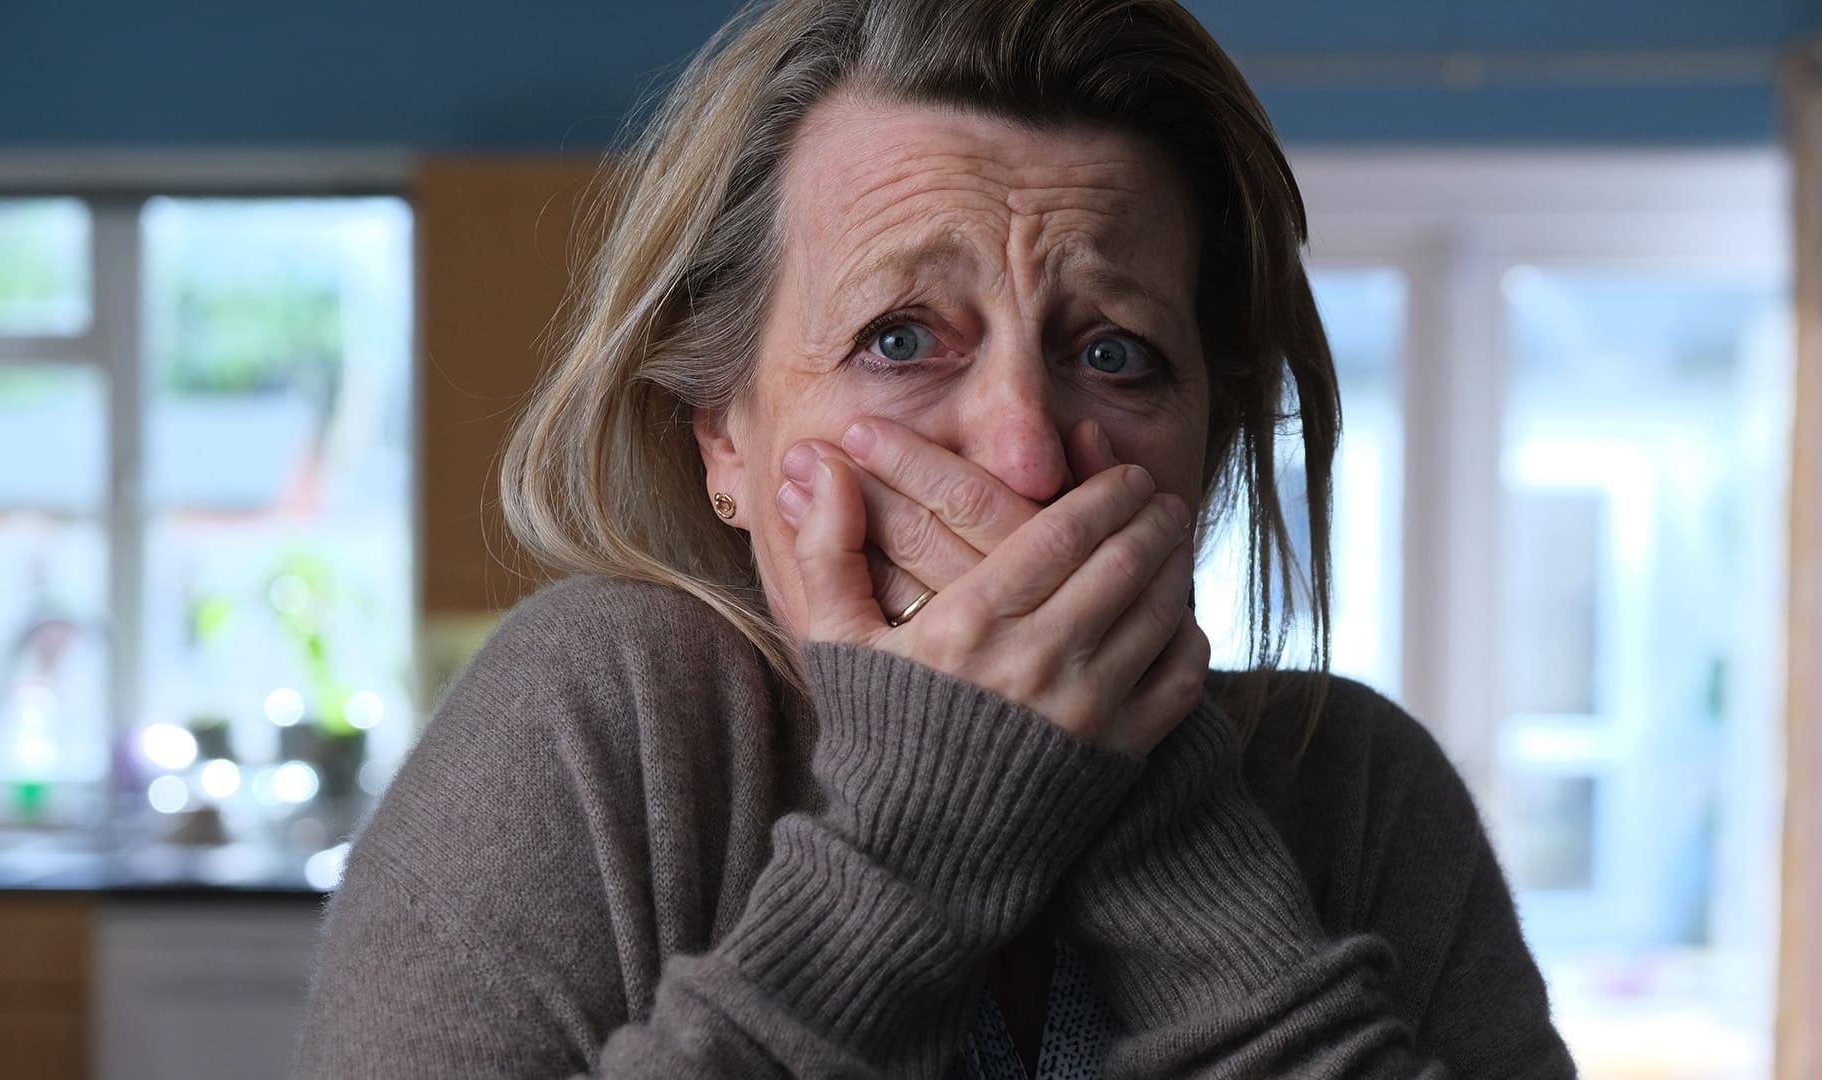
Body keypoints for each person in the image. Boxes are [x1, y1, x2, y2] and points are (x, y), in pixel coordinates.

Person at [298, 0, 1579, 1076]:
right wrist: (916, 844)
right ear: (723, 436)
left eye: (1115, 353)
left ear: (1207, 438)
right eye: (900, 339)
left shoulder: (1356, 786)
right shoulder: (600, 719)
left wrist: (1167, 830)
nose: (1024, 456)